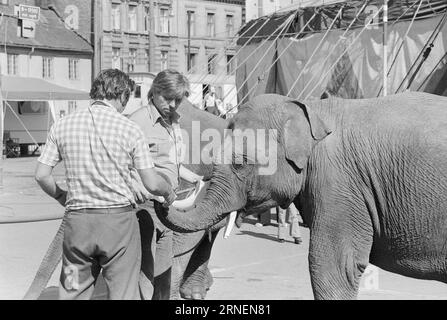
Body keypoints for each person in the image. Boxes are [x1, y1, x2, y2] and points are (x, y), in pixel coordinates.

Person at [34, 69, 176, 300]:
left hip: (77, 226)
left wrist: (62, 196)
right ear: (121, 96)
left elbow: (41, 175)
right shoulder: (130, 129)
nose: (125, 106)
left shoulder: (62, 126)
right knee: (122, 294)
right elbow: (151, 182)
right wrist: (168, 191)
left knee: (72, 292)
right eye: (126, 100)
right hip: (118, 224)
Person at [128, 69, 203, 300]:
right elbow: (124, 165)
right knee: (145, 275)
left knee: (164, 277)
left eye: (178, 100)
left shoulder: (174, 122)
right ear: (154, 91)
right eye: (167, 98)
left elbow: (168, 163)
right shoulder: (137, 121)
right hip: (144, 208)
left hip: (167, 209)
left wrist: (196, 179)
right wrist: (136, 187)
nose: (172, 104)